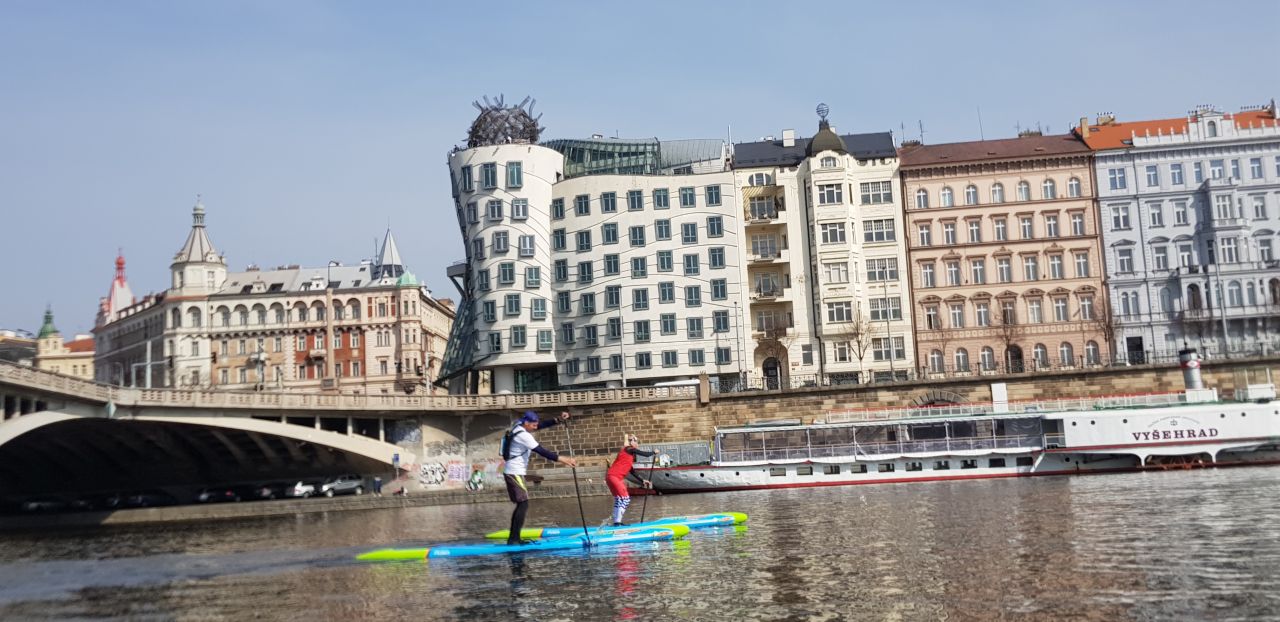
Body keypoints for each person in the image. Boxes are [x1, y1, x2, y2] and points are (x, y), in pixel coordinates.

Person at [502, 410, 577, 545]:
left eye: (536, 424)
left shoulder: (518, 425)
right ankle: (513, 539)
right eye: (533, 425)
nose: (536, 427)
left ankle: (513, 537)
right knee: (523, 504)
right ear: (526, 423)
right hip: (514, 472)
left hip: (514, 471)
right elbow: (542, 451)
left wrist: (558, 419)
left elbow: (540, 425)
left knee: (522, 504)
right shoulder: (524, 436)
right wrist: (564, 460)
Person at [605, 434, 657, 526]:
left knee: (619, 499)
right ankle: (618, 522)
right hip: (615, 477)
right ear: (631, 442)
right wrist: (653, 452)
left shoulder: (627, 454)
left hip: (610, 477)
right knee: (625, 499)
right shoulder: (628, 449)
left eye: (637, 441)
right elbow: (644, 454)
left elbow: (632, 471)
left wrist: (642, 481)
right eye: (635, 441)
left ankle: (616, 522)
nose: (637, 443)